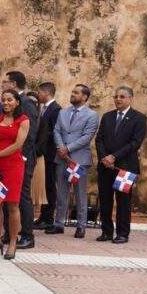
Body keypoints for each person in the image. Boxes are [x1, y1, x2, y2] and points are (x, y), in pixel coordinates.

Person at [94, 86, 147, 244]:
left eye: (122, 96)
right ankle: (106, 231)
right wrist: (105, 158)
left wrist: (114, 157)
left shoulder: (139, 118)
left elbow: (135, 143)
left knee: (123, 202)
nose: (118, 99)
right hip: (105, 167)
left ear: (131, 99)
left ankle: (123, 233)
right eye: (116, 96)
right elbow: (99, 138)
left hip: (124, 168)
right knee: (105, 200)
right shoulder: (107, 116)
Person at [46, 84, 98, 238]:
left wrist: (68, 148)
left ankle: (81, 226)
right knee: (61, 193)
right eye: (72, 91)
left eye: (76, 92)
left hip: (79, 160)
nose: (72, 94)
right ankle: (59, 223)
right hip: (61, 159)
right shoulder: (63, 112)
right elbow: (56, 130)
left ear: (84, 97)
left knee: (80, 194)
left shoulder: (92, 115)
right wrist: (61, 147)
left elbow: (87, 136)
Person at [0, 90, 30, 259]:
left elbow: (18, 145)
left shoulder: (23, 120)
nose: (6, 103)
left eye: (9, 100)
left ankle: (12, 242)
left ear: (17, 102)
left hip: (13, 165)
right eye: (3, 100)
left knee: (12, 205)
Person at [0, 71, 38, 249]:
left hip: (20, 159)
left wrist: (21, 156)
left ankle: (27, 235)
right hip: (4, 160)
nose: (2, 84)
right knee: (4, 197)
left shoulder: (27, 104)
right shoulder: (3, 110)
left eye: (5, 82)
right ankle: (9, 233)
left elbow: (30, 134)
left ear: (13, 84)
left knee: (21, 198)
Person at [34, 82, 62, 230]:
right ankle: (42, 216)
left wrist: (41, 136)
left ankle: (49, 217)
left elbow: (55, 130)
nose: (38, 95)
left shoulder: (56, 109)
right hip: (43, 153)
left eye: (40, 92)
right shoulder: (43, 109)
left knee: (50, 186)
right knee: (44, 186)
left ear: (46, 92)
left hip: (50, 153)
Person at [26, 91, 48, 212]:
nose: (32, 105)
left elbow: (42, 143)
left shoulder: (42, 120)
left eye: (35, 102)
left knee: (33, 195)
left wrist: (30, 151)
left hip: (37, 158)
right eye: (29, 102)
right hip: (21, 158)